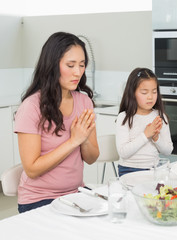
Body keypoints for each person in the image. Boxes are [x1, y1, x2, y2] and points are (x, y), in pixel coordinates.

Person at [14, 32, 100, 213]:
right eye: (70, 65)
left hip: (75, 194)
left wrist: (84, 138)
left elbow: (92, 158)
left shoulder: (84, 102)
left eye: (82, 65)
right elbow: (32, 169)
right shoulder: (31, 107)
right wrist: (73, 141)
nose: (78, 72)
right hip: (39, 199)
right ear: (52, 65)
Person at [115, 68, 173, 176]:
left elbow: (168, 151)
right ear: (132, 93)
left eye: (154, 92)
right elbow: (123, 152)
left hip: (153, 170)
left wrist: (156, 138)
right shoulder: (124, 117)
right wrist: (146, 135)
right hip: (128, 171)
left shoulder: (160, 117)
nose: (150, 97)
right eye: (144, 92)